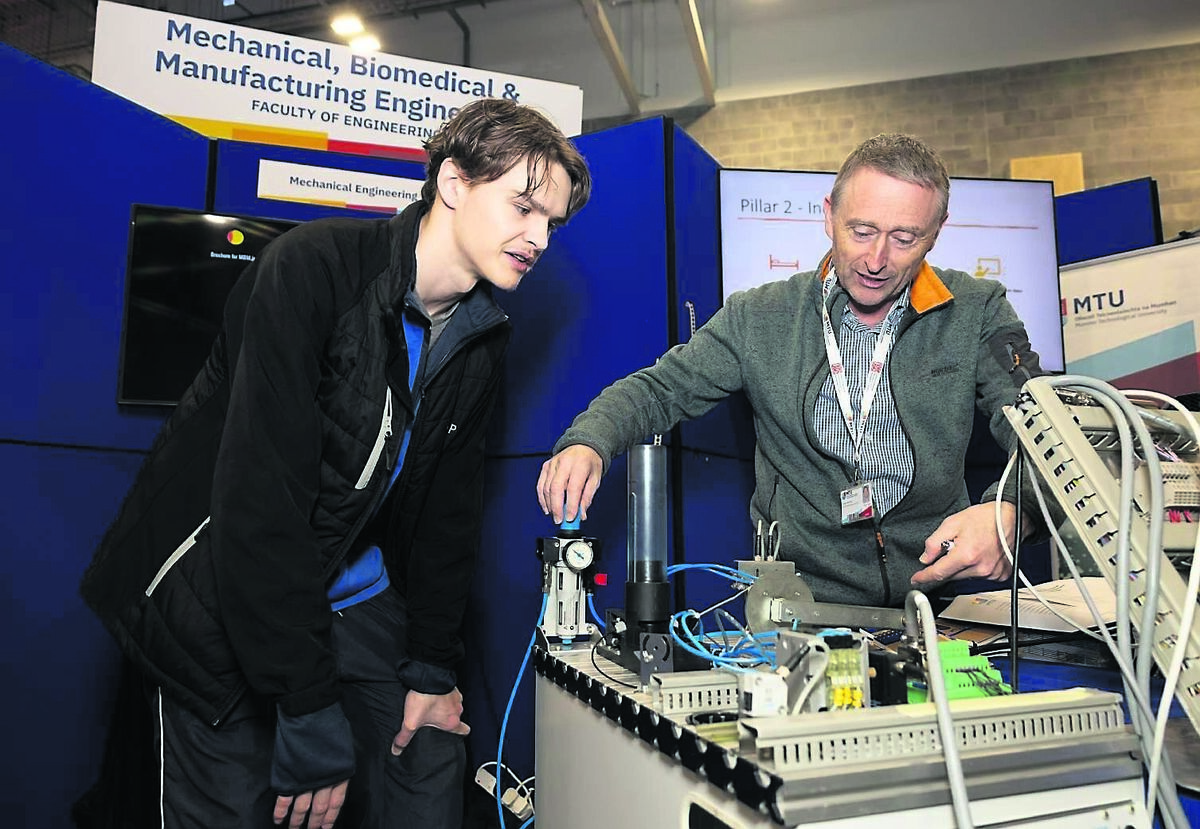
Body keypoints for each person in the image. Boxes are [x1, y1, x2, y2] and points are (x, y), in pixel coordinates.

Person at [80, 98, 591, 829]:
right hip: (216, 588)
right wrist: (307, 700)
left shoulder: (480, 334)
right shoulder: (313, 268)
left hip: (350, 588)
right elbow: (260, 502)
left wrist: (430, 669)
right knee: (234, 805)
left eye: (552, 222)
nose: (539, 238)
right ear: (453, 183)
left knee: (429, 760)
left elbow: (445, 516)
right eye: (523, 206)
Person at [536, 133, 1040, 608]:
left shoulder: (977, 309)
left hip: (936, 601)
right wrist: (591, 441)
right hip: (799, 606)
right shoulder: (760, 316)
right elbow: (659, 390)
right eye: (861, 231)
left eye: (904, 238)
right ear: (829, 215)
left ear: (936, 233)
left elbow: (1048, 430)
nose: (876, 259)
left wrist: (1014, 511)